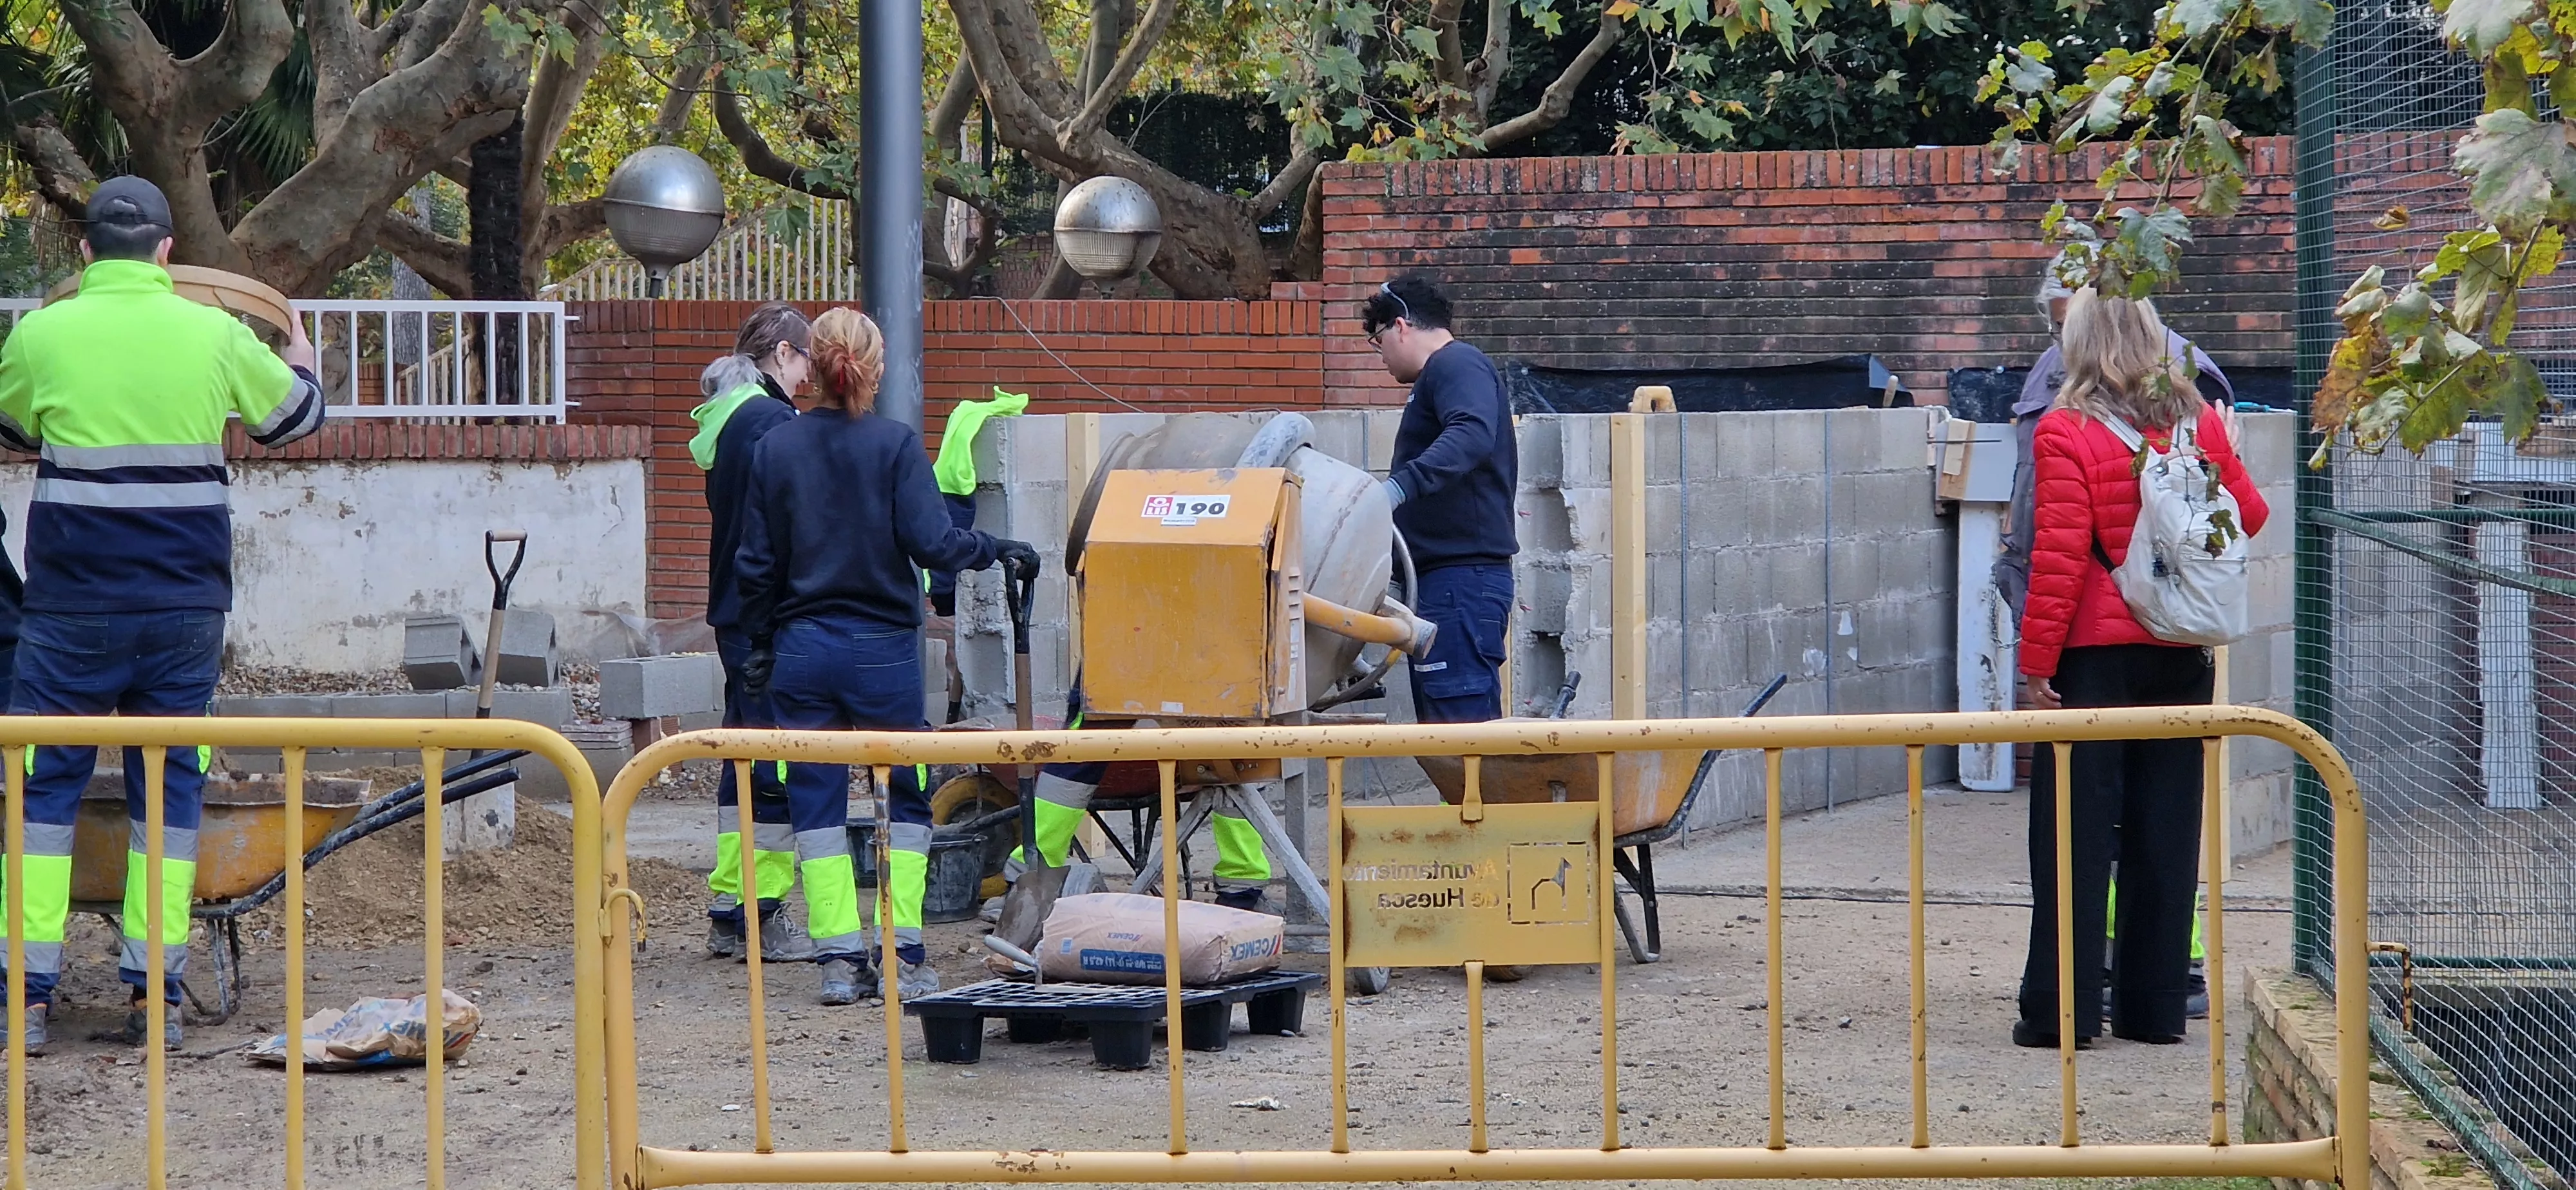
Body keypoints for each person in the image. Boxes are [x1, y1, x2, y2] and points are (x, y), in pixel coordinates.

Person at [0, 176, 325, 1050]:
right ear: (169, 256)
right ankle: (157, 998)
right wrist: (300, 354)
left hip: (70, 609)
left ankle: (25, 999)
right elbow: (295, 422)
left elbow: (16, 424)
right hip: (185, 608)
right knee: (169, 793)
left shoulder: (42, 333)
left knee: (38, 794)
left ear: (84, 252)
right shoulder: (214, 334)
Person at [734, 307, 1038, 1005]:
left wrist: (756, 646)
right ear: (872, 369)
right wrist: (996, 549)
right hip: (884, 656)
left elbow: (755, 564)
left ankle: (838, 961)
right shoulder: (895, 446)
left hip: (801, 649)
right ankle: (903, 951)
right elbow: (935, 544)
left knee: (814, 798)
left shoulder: (775, 450)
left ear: (812, 364)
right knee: (902, 796)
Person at [2011, 290, 2268, 1050]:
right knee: (2166, 833)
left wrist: (2034, 669)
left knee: (2073, 838)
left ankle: (2061, 1014)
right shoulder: (2198, 419)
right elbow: (2248, 516)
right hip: (2182, 649)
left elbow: (2057, 559)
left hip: (2094, 658)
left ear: (2078, 342)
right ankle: (2155, 1012)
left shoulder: (2065, 430)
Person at [690, 303, 813, 962]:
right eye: (807, 363)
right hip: (767, 615)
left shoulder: (729, 417)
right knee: (775, 761)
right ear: (786, 354)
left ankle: (729, 906)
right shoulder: (771, 421)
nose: (809, 379)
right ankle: (763, 913)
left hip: (735, 610)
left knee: (743, 755)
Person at [1363, 274, 1518, 725]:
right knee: (1450, 738)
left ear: (1401, 325)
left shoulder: (1456, 365)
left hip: (1460, 585)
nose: (1382, 355)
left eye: (1378, 340)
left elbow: (1470, 433)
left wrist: (1396, 489)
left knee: (1462, 737)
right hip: (1447, 584)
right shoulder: (1446, 374)